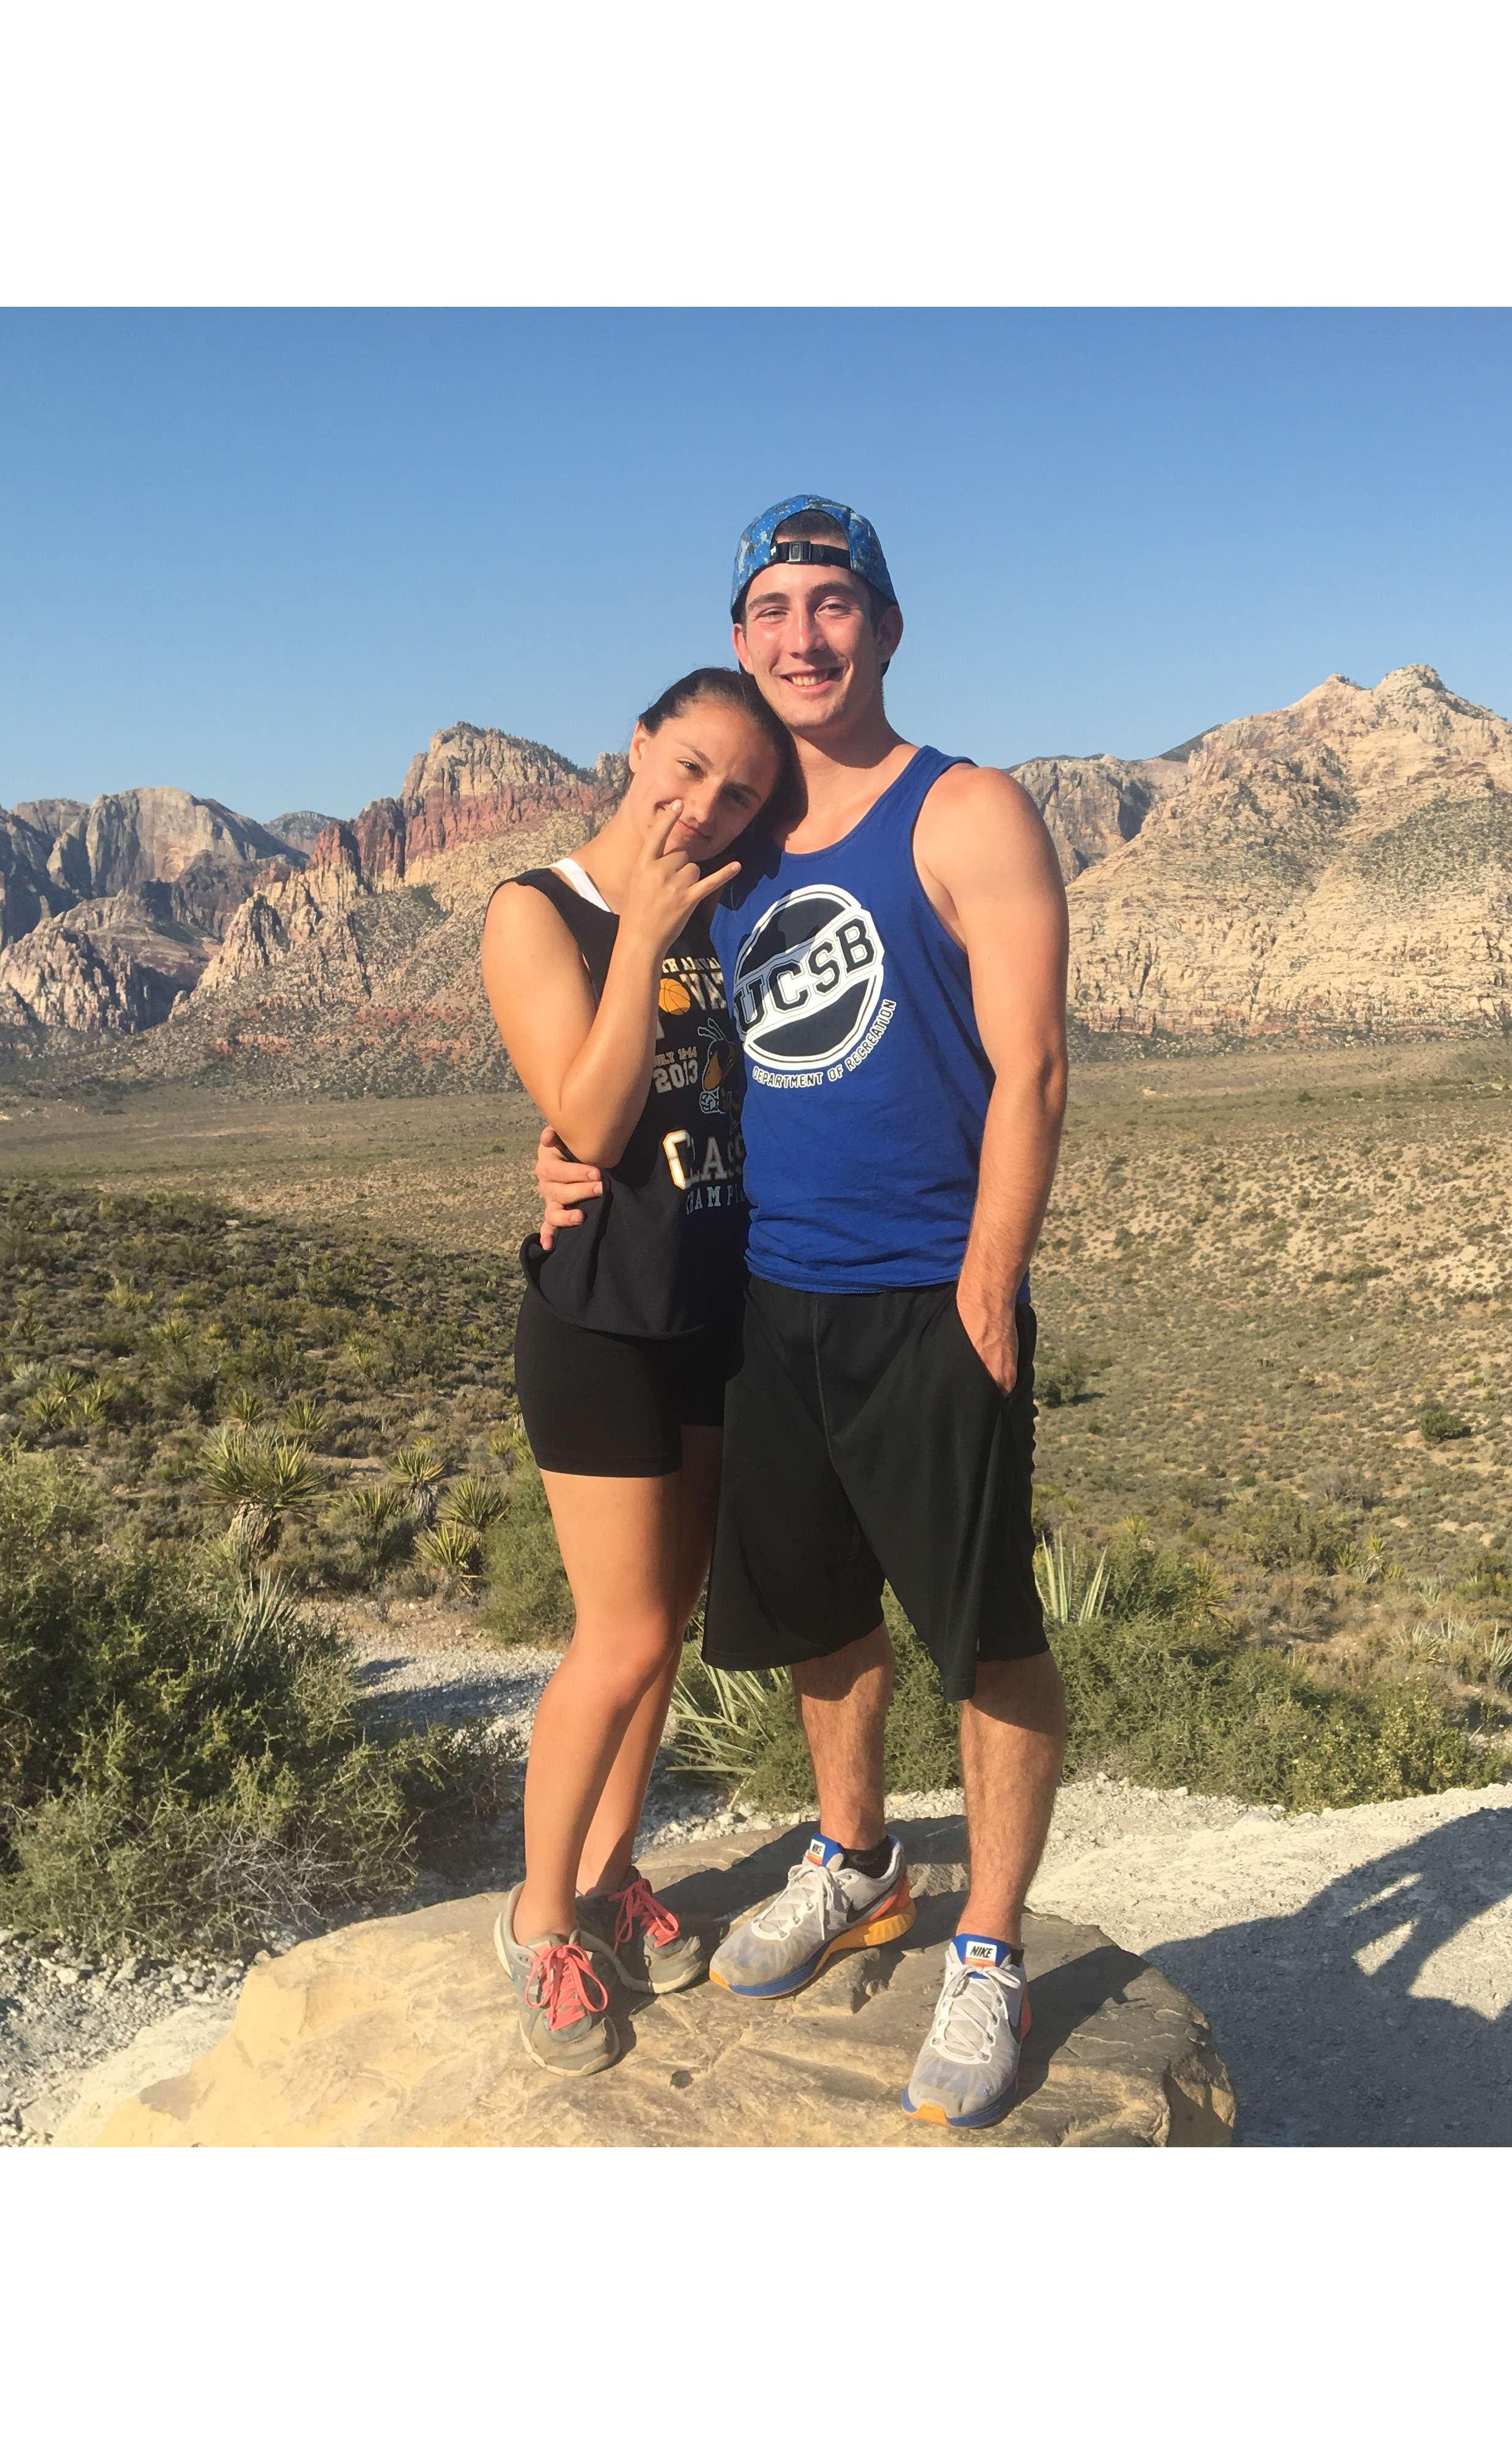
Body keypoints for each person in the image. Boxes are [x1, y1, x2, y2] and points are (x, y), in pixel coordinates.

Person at [536, 496, 1071, 2127]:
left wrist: (991, 1275)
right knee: (822, 1616)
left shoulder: (964, 810)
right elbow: (647, 1047)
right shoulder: (735, 848)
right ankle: (854, 1858)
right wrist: (552, 1153)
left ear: (885, 627)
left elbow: (1036, 1068)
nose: (803, 636)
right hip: (774, 1293)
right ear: (741, 639)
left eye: (833, 604)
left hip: (931, 1291)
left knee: (984, 1629)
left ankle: (989, 1946)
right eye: (771, 610)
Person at [479, 666, 793, 2074]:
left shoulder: (737, 908)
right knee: (612, 1639)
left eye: (739, 793)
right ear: (638, 747)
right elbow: (594, 1124)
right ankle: (539, 1921)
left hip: (714, 1308)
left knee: (664, 1631)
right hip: (602, 1319)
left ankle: (611, 1879)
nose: (705, 805)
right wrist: (649, 932)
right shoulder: (537, 912)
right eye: (689, 766)